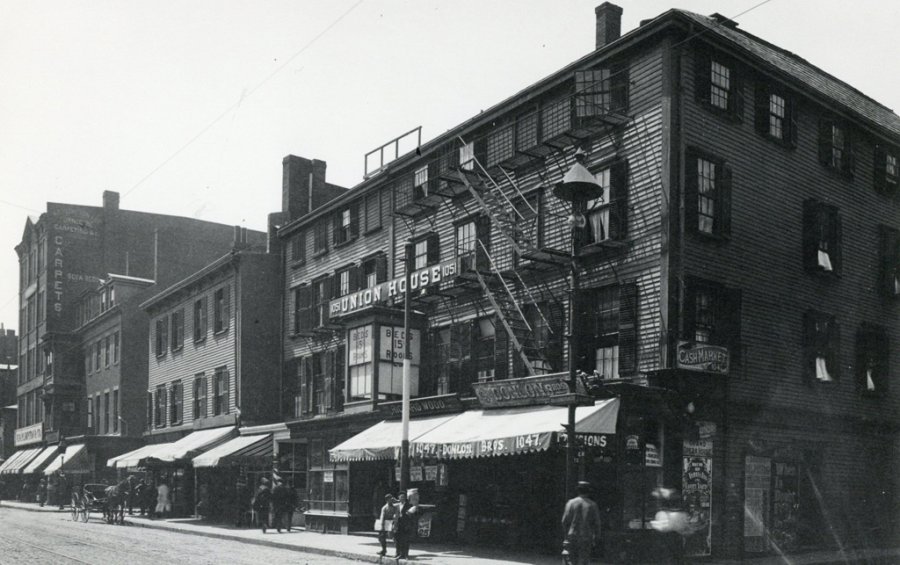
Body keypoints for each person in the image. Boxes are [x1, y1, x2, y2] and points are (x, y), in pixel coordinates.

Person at [561, 481, 603, 565]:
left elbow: (564, 521)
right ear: (588, 491)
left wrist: (566, 536)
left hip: (572, 536)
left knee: (571, 561)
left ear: (578, 491)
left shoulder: (570, 503)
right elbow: (597, 523)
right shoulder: (592, 505)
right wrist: (596, 537)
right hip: (586, 537)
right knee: (583, 560)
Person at [393, 491, 417, 559]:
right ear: (398, 498)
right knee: (397, 540)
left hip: (405, 525)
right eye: (401, 497)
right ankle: (398, 553)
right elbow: (395, 515)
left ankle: (405, 554)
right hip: (398, 524)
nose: (402, 498)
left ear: (405, 498)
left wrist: (409, 524)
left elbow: (412, 516)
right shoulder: (397, 506)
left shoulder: (409, 505)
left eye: (403, 497)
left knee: (405, 540)